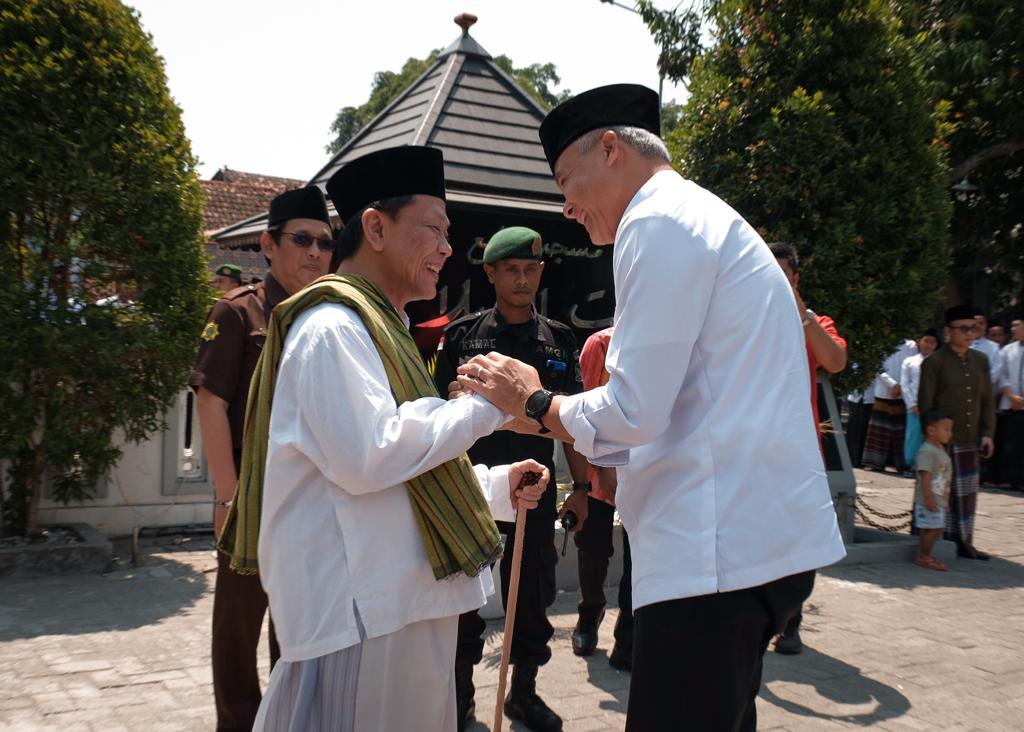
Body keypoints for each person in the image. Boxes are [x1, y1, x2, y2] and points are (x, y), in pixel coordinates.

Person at [457, 83, 846, 731]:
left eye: (565, 180)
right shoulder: (697, 216)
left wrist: (537, 400)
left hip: (712, 558)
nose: (567, 208)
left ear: (610, 149)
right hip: (740, 548)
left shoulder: (657, 220)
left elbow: (636, 411)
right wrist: (548, 414)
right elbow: (672, 403)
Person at [217, 146, 551, 732]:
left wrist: (496, 486)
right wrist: (488, 406)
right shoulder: (333, 328)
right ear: (375, 227)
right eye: (435, 229)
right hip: (360, 617)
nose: (449, 249)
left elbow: (401, 467)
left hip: (399, 607)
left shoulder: (379, 326)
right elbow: (370, 456)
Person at [189, 185, 333, 732]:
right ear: (269, 245)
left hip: (310, 501)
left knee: (297, 628)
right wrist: (226, 497)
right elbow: (209, 400)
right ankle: (237, 723)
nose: (315, 253)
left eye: (324, 242)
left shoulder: (325, 317)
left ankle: (287, 720)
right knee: (237, 625)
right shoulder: (238, 312)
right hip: (252, 498)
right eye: (302, 239)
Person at [434, 226, 588, 732]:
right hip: (472, 492)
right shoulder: (462, 337)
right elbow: (435, 417)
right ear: (492, 274)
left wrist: (582, 490)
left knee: (531, 597)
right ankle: (461, 707)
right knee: (464, 603)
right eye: (512, 270)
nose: (522, 279)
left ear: (541, 272)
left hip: (534, 495)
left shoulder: (560, 341)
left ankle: (522, 695)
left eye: (531, 269)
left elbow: (572, 427)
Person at [768, 241, 847, 655]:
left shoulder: (816, 323)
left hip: (801, 454)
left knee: (800, 542)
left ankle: (791, 623)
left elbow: (834, 361)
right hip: (755, 453)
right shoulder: (748, 320)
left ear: (796, 278)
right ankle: (762, 617)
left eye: (784, 274)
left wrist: (801, 314)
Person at [569, 326, 633, 671]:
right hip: (598, 471)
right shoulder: (601, 343)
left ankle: (628, 639)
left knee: (638, 559)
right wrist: (603, 467)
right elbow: (585, 408)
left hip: (644, 472)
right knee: (593, 550)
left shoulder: (667, 337)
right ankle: (589, 616)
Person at [918, 305, 995, 560]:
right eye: (963, 329)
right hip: (941, 442)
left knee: (966, 494)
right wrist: (931, 441)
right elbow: (926, 404)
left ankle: (964, 542)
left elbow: (986, 400)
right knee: (937, 492)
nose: (969, 334)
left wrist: (987, 433)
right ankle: (932, 543)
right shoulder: (935, 363)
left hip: (969, 439)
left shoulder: (980, 361)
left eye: (972, 328)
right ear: (948, 331)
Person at [862, 339, 919, 473]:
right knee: (879, 430)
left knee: (901, 431)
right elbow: (878, 367)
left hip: (903, 393)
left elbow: (912, 368)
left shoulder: (911, 345)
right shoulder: (881, 342)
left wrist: (901, 386)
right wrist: (892, 384)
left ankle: (902, 464)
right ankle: (874, 462)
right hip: (883, 390)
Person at [913, 410, 954, 571]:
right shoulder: (927, 451)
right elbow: (926, 475)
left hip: (939, 499)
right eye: (946, 429)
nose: (949, 433)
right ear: (931, 430)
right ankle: (925, 556)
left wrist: (945, 499)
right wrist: (929, 498)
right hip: (929, 500)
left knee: (931, 527)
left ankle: (925, 555)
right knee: (933, 528)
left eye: (950, 429)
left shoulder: (939, 449)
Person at [901, 328, 940, 467]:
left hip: (933, 406)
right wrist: (912, 404)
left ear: (936, 344)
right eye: (926, 341)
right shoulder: (909, 361)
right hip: (914, 406)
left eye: (932, 342)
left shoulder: (938, 361)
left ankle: (929, 464)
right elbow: (905, 384)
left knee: (932, 435)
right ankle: (911, 463)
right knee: (913, 435)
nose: (928, 345)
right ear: (919, 342)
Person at [997, 318, 1024, 491]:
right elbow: (1002, 375)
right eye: (1012, 326)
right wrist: (1012, 396)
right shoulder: (1007, 350)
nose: (1013, 329)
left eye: (1017, 326)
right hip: (1010, 403)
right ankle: (1011, 479)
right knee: (1010, 444)